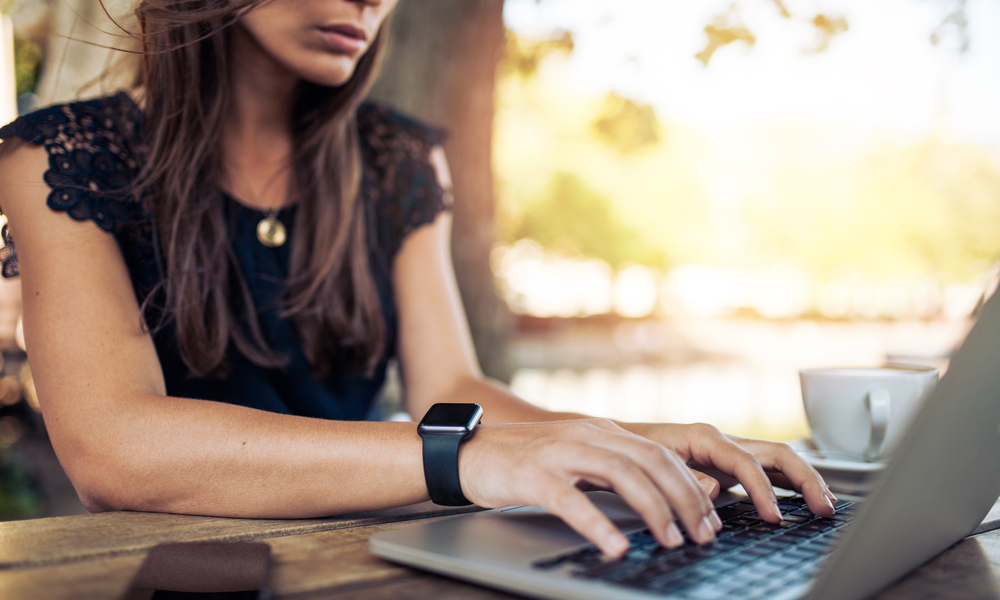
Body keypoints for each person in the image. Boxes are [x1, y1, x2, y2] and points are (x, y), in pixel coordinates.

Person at [0, 0, 834, 558]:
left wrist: (632, 439)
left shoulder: (399, 158)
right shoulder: (59, 155)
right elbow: (112, 445)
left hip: (364, 556)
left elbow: (452, 386)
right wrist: (463, 460)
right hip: (172, 571)